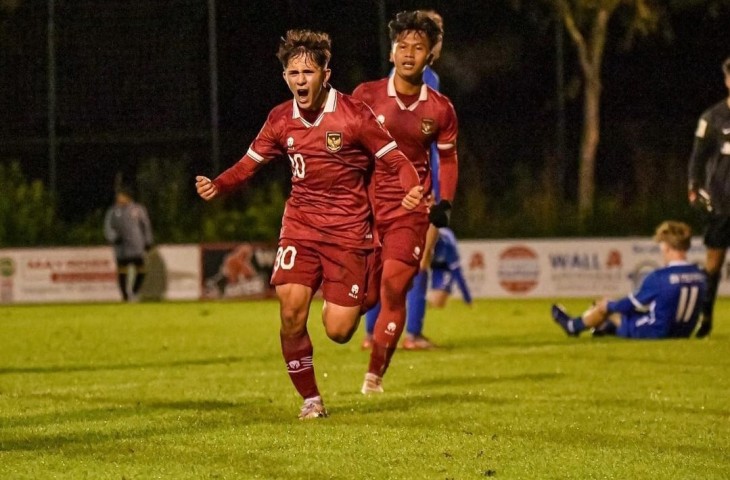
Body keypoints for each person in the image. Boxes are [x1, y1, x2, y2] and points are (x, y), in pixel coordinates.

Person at [195, 30, 422, 419]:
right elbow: (249, 164)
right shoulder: (281, 119)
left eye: (308, 72)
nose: (300, 79)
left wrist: (412, 187)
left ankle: (372, 276)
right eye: (293, 72)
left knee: (338, 330)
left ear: (325, 74)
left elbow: (397, 160)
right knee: (290, 310)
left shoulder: (353, 115)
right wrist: (219, 184)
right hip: (300, 225)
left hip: (349, 232)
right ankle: (311, 400)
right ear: (285, 77)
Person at [352, 10, 458, 393]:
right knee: (343, 316)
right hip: (363, 209)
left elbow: (446, 157)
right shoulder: (366, 95)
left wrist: (442, 202)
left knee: (396, 285)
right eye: (403, 46)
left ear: (431, 52)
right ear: (392, 52)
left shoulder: (440, 105)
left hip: (410, 209)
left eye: (420, 46)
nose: (410, 53)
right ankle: (366, 327)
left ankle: (375, 374)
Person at [551, 221, 706, 339]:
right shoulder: (700, 275)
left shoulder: (660, 277)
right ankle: (605, 327)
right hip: (684, 332)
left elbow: (630, 304)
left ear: (665, 247)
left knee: (608, 309)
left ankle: (573, 326)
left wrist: (608, 305)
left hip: (654, 331)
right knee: (617, 310)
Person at [687, 56, 730, 338]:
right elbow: (697, 157)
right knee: (713, 262)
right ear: (727, 80)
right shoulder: (711, 118)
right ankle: (706, 318)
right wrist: (693, 185)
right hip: (722, 202)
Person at [103, 187, 154, 302]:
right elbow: (108, 227)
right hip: (121, 248)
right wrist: (113, 237)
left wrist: (148, 241)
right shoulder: (113, 211)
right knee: (122, 271)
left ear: (127, 197)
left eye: (120, 195)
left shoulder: (138, 209)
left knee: (141, 270)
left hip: (137, 246)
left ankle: (134, 292)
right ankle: (125, 296)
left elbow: (146, 226)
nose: (118, 198)